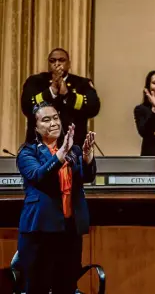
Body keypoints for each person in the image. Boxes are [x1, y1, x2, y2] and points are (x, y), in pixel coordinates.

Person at [16, 101, 96, 293]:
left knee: (66, 286)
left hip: (69, 230)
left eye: (55, 118)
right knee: (38, 286)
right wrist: (60, 154)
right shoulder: (28, 152)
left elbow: (88, 177)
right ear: (36, 127)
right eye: (46, 120)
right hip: (41, 231)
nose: (53, 123)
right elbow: (38, 175)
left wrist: (86, 156)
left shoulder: (73, 150)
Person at [21, 48, 101, 147]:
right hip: (40, 146)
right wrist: (52, 90)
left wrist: (67, 94)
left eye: (61, 60)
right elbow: (27, 108)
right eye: (52, 61)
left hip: (74, 145)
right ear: (48, 64)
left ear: (69, 64)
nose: (57, 64)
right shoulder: (35, 81)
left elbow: (94, 108)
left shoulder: (82, 83)